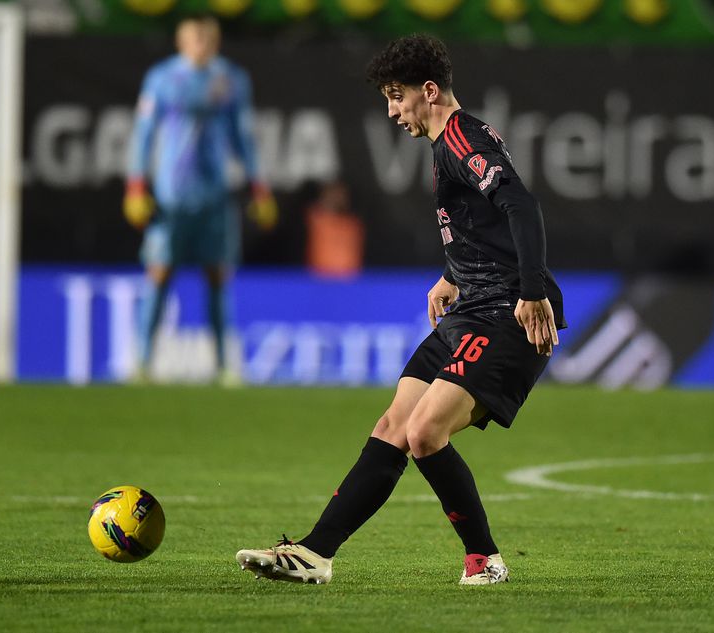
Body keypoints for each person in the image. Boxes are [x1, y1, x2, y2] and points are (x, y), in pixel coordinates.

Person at [235, 34, 566, 585]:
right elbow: (484, 225)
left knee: (424, 433)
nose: (391, 111)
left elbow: (521, 206)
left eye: (396, 97)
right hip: (473, 306)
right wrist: (451, 277)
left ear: (428, 91)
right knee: (393, 425)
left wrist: (531, 291)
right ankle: (315, 553)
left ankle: (485, 560)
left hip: (508, 312)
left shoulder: (460, 138)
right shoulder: (450, 142)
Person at [124, 13, 275, 383]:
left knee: (219, 275)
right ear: (181, 42)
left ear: (216, 42)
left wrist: (258, 184)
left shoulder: (231, 80)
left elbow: (243, 136)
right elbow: (143, 135)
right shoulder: (161, 79)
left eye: (208, 38)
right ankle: (142, 362)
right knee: (159, 272)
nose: (201, 45)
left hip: (215, 195)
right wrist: (136, 184)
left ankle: (225, 365)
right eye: (195, 38)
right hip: (170, 196)